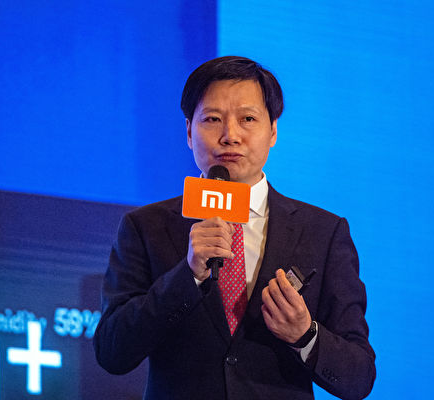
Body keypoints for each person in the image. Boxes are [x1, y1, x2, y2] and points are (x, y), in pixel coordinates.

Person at [93, 56, 375, 400]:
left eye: (248, 119)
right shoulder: (146, 226)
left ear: (273, 131)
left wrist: (305, 335)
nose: (230, 136)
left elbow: (358, 378)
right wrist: (188, 276)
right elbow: (112, 351)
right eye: (213, 119)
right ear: (188, 131)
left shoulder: (323, 233)